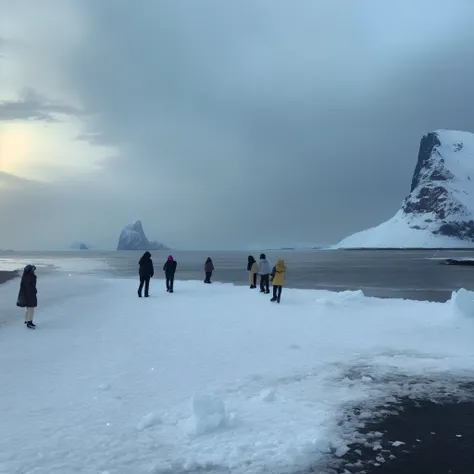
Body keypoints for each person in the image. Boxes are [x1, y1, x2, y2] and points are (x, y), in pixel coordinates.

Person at [16, 264, 38, 329]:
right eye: (33, 270)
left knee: (28, 308)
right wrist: (34, 291)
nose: (34, 271)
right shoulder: (31, 277)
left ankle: (26, 320)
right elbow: (31, 286)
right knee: (31, 308)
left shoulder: (24, 276)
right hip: (30, 294)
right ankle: (29, 322)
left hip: (25, 294)